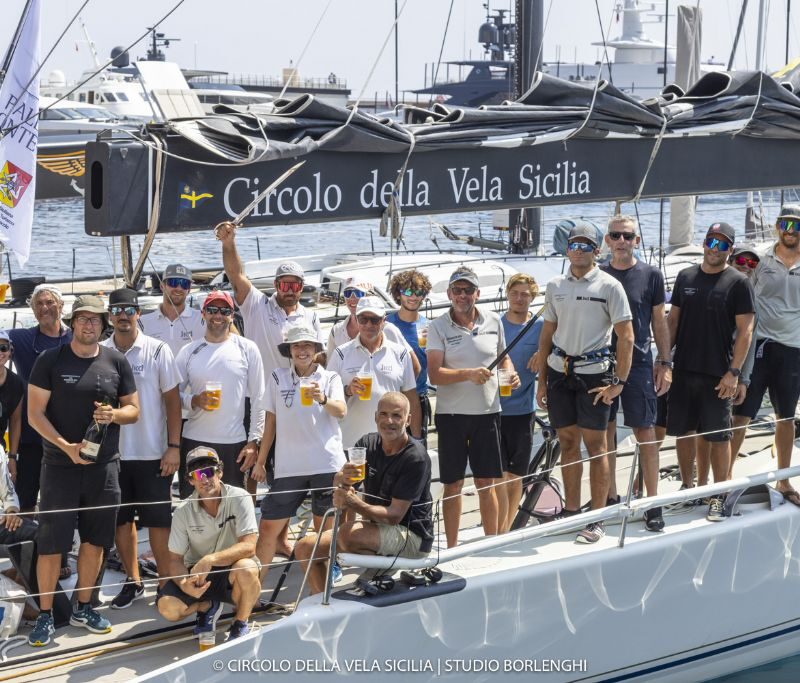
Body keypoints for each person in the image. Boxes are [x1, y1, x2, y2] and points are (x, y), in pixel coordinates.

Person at [27, 295, 139, 647]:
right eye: (82, 319)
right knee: (51, 545)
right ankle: (45, 615)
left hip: (103, 468)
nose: (88, 325)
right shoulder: (50, 360)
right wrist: (67, 448)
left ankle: (84, 606)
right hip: (59, 466)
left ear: (102, 325)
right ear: (72, 323)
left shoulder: (116, 361)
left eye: (94, 320)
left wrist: (114, 416)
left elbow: (133, 410)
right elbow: (34, 415)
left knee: (95, 541)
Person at [217, 223, 321, 556]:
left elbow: (319, 360)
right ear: (275, 285)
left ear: (301, 287)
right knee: (250, 467)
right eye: (283, 284)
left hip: (296, 404)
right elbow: (236, 275)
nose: (289, 289)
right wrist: (229, 243)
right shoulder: (258, 305)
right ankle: (247, 535)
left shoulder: (310, 315)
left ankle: (279, 537)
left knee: (285, 471)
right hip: (259, 400)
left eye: (294, 284)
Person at [535, 225, 633, 544]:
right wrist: (542, 382)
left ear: (596, 250)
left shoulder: (610, 286)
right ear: (567, 249)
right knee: (566, 443)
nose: (578, 249)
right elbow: (547, 333)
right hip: (559, 372)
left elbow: (626, 337)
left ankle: (597, 517)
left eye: (585, 245)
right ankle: (571, 511)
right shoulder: (555, 285)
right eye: (573, 244)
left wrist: (619, 382)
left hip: (595, 374)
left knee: (596, 447)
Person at [295, 392, 433, 595]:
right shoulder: (367, 444)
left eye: (397, 415)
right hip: (376, 530)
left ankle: (381, 569)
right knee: (305, 548)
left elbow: (394, 516)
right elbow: (341, 486)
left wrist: (352, 502)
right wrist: (341, 480)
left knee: (347, 534)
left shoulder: (416, 457)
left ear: (408, 420)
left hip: (413, 537)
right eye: (384, 414)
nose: (389, 421)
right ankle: (322, 600)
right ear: (375, 417)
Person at [666, 222, 755, 522]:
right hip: (683, 370)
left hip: (719, 374)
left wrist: (735, 373)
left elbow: (746, 332)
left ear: (730, 249)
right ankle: (688, 488)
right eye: (711, 242)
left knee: (718, 437)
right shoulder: (685, 276)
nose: (715, 249)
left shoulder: (739, 283)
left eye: (722, 244)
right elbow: (673, 322)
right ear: (704, 244)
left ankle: (719, 496)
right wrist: (663, 361)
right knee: (683, 432)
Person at [100, 289, 182, 608]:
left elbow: (173, 402)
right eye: (117, 309)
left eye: (129, 309)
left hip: (152, 454)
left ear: (138, 313)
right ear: (110, 316)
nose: (123, 315)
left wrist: (173, 447)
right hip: (113, 457)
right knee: (122, 522)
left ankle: (164, 583)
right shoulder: (100, 352)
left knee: (159, 522)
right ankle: (133, 581)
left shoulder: (159, 350)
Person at [427, 267, 519, 548]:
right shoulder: (437, 326)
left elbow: (503, 358)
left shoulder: (494, 320)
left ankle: (489, 545)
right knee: (453, 485)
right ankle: (452, 548)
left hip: (488, 413)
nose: (462, 295)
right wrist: (468, 373)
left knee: (486, 482)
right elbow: (435, 374)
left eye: (468, 290)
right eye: (457, 290)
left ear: (478, 294)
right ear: (449, 294)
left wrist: (511, 373)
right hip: (451, 416)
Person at [252, 323, 347, 588]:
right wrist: (261, 461)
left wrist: (323, 399)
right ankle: (254, 588)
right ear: (289, 350)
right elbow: (270, 421)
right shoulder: (277, 377)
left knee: (323, 526)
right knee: (268, 527)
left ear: (316, 350)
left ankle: (328, 578)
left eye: (307, 345)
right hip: (288, 466)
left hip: (325, 463)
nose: (302, 350)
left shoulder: (330, 378)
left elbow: (341, 411)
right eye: (296, 345)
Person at [599, 215, 671, 532]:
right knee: (606, 433)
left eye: (628, 236)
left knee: (646, 432)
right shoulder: (597, 274)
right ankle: (610, 497)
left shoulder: (651, 275)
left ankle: (652, 503)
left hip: (641, 362)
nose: (622, 241)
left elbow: (659, 322)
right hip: (602, 363)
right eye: (616, 236)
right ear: (608, 240)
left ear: (636, 241)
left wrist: (665, 362)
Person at [729, 207, 799, 502]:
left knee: (785, 417)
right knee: (741, 414)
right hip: (759, 345)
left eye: (796, 225)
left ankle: (784, 481)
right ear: (776, 227)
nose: (790, 230)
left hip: (793, 349)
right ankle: (724, 479)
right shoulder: (760, 260)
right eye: (784, 224)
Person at [157, 447, 260, 641]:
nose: (204, 479)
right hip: (197, 575)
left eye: (208, 472)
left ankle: (240, 624)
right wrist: (183, 584)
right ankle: (206, 606)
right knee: (168, 609)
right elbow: (174, 560)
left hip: (231, 569)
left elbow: (249, 546)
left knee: (247, 569)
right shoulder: (182, 511)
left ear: (219, 472)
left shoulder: (240, 497)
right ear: (190, 481)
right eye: (197, 474)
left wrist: (210, 560)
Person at [174, 291, 265, 498]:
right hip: (194, 441)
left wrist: (254, 442)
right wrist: (194, 400)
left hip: (234, 444)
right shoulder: (189, 351)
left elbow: (260, 398)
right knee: (194, 506)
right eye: (212, 310)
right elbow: (171, 397)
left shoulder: (248, 348)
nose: (218, 315)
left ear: (232, 315)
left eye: (224, 310)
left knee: (234, 508)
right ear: (203, 314)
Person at [8, 285, 71, 518]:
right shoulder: (21, 338)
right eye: (39, 304)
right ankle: (26, 549)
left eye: (50, 302)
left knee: (64, 499)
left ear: (61, 306)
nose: (45, 308)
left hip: (69, 435)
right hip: (32, 434)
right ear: (33, 310)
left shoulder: (76, 338)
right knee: (26, 497)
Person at [328, 296, 422, 449]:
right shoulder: (341, 354)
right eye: (363, 319)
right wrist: (348, 390)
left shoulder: (400, 353)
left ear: (383, 321)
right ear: (356, 320)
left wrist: (417, 441)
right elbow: (327, 400)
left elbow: (412, 400)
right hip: (351, 445)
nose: (368, 324)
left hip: (391, 447)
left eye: (375, 320)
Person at [498, 274, 543, 533]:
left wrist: (543, 352)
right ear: (507, 294)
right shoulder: (496, 325)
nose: (519, 298)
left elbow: (559, 346)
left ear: (533, 297)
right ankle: (496, 527)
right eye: (515, 293)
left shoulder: (541, 326)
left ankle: (506, 528)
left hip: (523, 410)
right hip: (494, 410)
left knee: (515, 476)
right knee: (497, 475)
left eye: (525, 294)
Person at [326, 277, 420, 377]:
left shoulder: (388, 329)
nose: (352, 298)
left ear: (369, 296)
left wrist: (399, 389)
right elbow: (331, 373)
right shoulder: (337, 330)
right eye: (348, 293)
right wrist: (346, 391)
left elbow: (414, 366)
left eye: (358, 293)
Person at [386, 269, 433, 442]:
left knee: (417, 452)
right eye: (407, 291)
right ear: (398, 294)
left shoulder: (429, 327)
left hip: (418, 397)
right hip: (390, 399)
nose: (413, 297)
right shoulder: (386, 324)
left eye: (418, 292)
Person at [139, 264, 206, 357]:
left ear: (189, 289)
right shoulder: (143, 323)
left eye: (184, 284)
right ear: (162, 286)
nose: (178, 288)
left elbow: (227, 333)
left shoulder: (202, 319)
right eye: (173, 282)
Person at [0, 331, 24, 484]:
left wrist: (12, 458)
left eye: (3, 347)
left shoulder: (16, 383)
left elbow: (15, 421)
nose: (0, 352)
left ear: (10, 351)